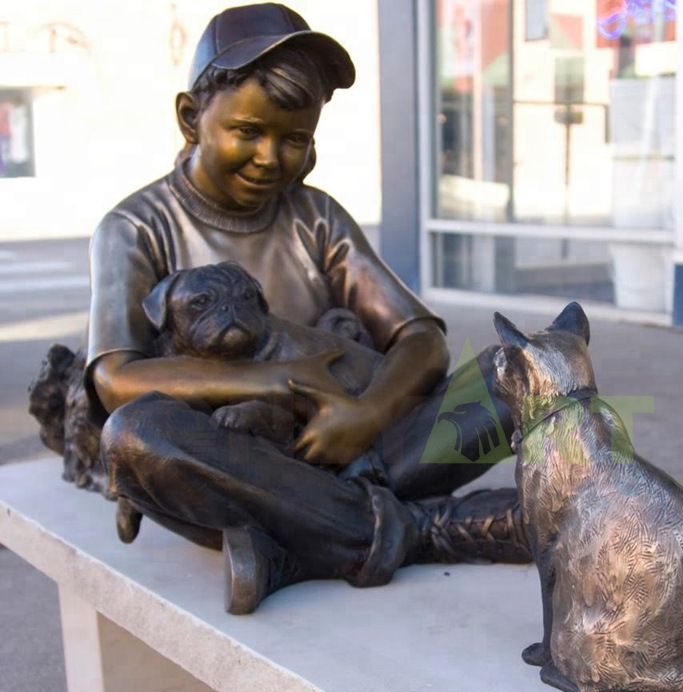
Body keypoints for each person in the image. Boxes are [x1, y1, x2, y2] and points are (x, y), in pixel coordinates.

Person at [89, 2, 531, 614]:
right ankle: (424, 531)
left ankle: (302, 545)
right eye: (247, 131)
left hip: (364, 450)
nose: (270, 157)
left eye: (294, 139)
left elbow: (422, 338)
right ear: (192, 117)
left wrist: (369, 413)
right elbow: (115, 378)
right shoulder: (136, 228)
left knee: (521, 375)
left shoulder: (314, 216)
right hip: (241, 468)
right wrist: (271, 380)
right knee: (137, 434)